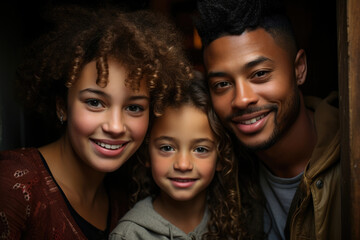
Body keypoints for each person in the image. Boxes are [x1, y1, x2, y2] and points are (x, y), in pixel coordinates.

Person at [0, 5, 193, 239]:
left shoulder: (127, 201)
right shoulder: (11, 184)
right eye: (94, 102)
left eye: (134, 107)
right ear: (62, 105)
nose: (115, 126)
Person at [195, 0, 340, 239]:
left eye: (260, 74)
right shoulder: (223, 173)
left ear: (299, 69)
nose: (241, 100)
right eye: (222, 84)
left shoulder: (350, 156)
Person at [109, 72, 244, 239]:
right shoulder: (130, 235)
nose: (183, 164)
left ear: (221, 157)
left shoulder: (231, 221)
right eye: (167, 148)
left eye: (200, 149)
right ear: (146, 154)